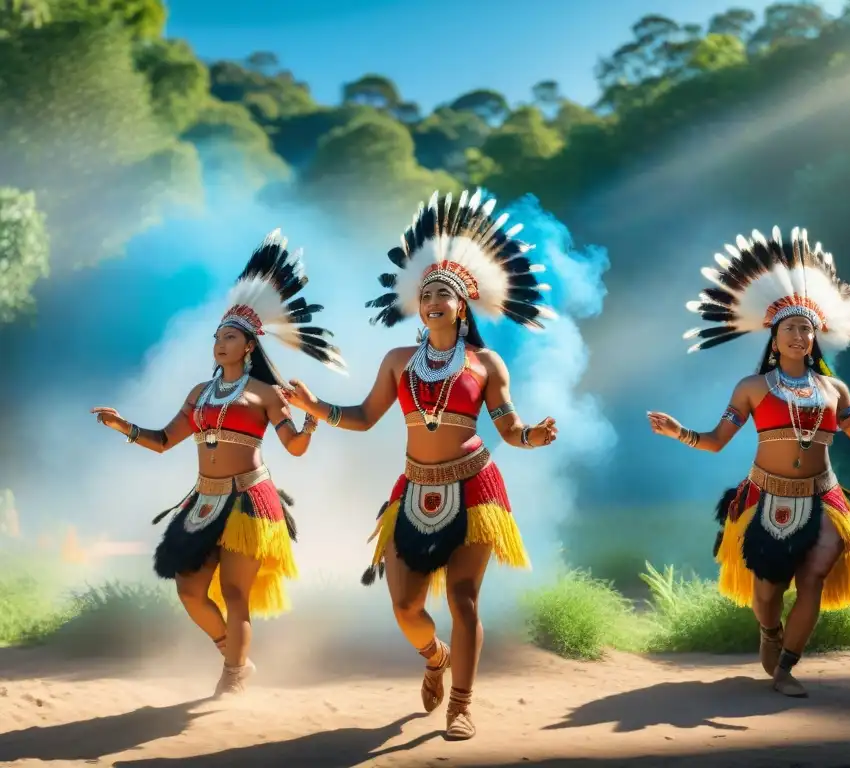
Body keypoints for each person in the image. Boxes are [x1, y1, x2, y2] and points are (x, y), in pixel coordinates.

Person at [283, 189, 559, 740]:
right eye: (427, 292)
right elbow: (363, 416)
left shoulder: (486, 364)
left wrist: (532, 436)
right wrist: (314, 407)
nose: (433, 299)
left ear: (463, 305)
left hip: (476, 490)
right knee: (407, 606)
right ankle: (435, 657)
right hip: (413, 492)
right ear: (418, 304)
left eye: (445, 293)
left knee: (463, 599)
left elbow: (508, 426)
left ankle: (461, 705)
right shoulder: (397, 361)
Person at [646, 226, 850, 698]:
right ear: (774, 335)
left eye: (806, 328)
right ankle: (770, 632)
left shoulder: (834, 390)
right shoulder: (752, 387)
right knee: (767, 591)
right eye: (790, 327)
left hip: (824, 497)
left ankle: (788, 666)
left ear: (815, 338)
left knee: (814, 577)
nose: (799, 334)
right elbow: (714, 441)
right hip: (765, 496)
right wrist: (678, 431)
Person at [91, 230, 344, 696]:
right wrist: (124, 426)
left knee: (234, 594)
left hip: (250, 503)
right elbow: (166, 439)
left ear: (249, 345)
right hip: (203, 502)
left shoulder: (268, 394)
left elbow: (294, 448)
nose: (219, 343)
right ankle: (236, 655)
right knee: (189, 590)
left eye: (228, 337)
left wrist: (310, 422)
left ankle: (231, 678)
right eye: (217, 337)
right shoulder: (199, 393)